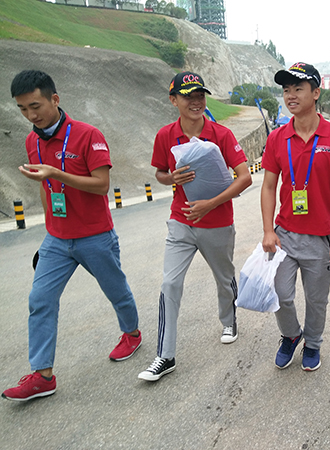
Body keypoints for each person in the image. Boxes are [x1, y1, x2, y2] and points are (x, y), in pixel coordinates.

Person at [2, 70, 142, 402]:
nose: (30, 115)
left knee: (116, 291)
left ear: (55, 99)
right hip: (57, 240)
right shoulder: (32, 141)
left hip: (95, 235)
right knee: (40, 300)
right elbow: (45, 186)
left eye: (35, 106)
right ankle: (42, 375)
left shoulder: (87, 135)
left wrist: (57, 173)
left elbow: (102, 185)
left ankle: (132, 334)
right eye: (22, 109)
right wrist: (50, 225)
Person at [138, 72, 251, 381]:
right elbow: (160, 173)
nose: (196, 101)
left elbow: (245, 177)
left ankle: (229, 321)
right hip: (181, 221)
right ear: (173, 100)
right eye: (188, 96)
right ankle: (165, 355)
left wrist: (211, 204)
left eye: (200, 95)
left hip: (217, 222)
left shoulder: (222, 134)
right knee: (170, 284)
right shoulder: (165, 136)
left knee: (224, 278)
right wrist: (171, 178)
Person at [261, 62, 330, 372]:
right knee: (280, 293)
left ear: (315, 93)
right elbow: (268, 186)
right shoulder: (277, 138)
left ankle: (313, 343)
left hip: (320, 237)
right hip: (285, 234)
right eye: (286, 89)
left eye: (298, 88)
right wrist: (268, 230)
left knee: (316, 300)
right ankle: (291, 335)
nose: (291, 95)